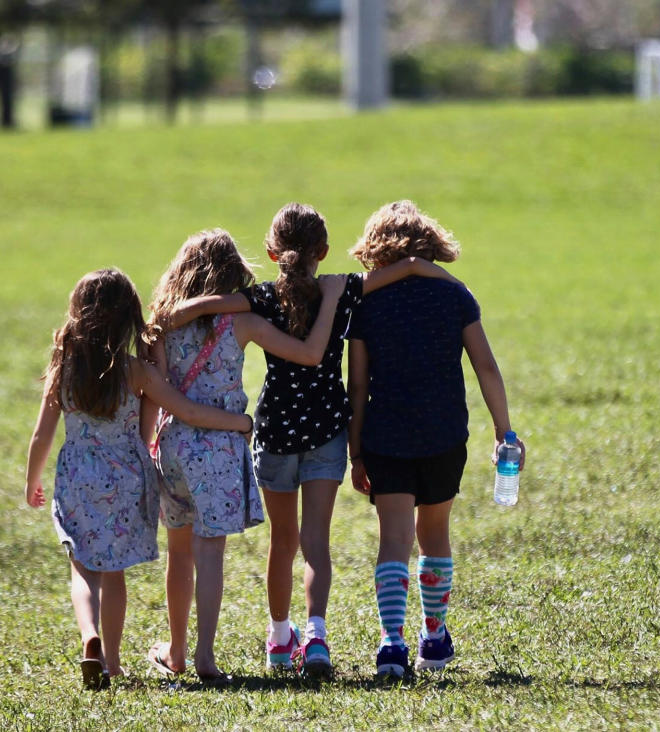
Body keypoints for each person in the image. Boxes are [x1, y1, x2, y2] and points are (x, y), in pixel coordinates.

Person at [164, 204, 460, 675]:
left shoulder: (260, 297)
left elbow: (214, 305)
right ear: (322, 251)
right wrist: (440, 277)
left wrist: (179, 311)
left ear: (271, 251)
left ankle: (281, 639)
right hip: (326, 429)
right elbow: (404, 268)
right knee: (316, 542)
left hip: (275, 430)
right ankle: (317, 636)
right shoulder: (339, 290)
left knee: (283, 542)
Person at [23, 269, 252, 690]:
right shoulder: (137, 372)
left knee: (83, 570)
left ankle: (88, 636)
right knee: (114, 573)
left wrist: (31, 481)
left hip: (78, 477)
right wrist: (239, 421)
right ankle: (111, 662)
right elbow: (188, 411)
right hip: (127, 477)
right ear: (128, 319)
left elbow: (42, 434)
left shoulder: (63, 367)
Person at [144, 228, 347, 682]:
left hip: (171, 445)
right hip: (217, 450)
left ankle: (175, 652)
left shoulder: (160, 324)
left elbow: (155, 392)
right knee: (209, 552)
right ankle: (205, 658)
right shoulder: (244, 323)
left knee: (179, 554)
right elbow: (310, 354)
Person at [346, 200, 526, 678]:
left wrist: (355, 449)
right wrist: (505, 430)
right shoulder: (456, 296)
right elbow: (485, 366)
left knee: (394, 539)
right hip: (445, 432)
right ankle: (433, 636)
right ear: (431, 246)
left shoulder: (367, 302)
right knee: (434, 535)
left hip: (386, 435)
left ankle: (391, 644)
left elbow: (358, 384)